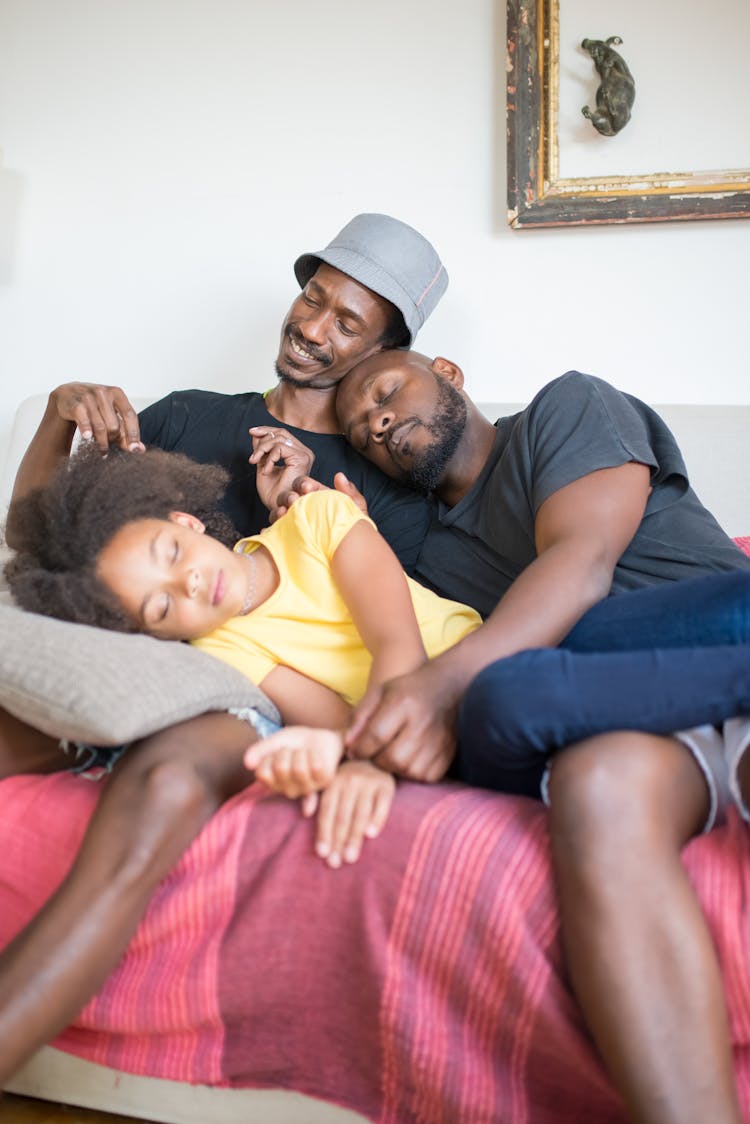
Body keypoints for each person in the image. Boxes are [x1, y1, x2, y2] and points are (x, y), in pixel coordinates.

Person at [0, 440, 481, 1086]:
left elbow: (398, 649)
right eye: (164, 606)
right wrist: (353, 750)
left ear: (185, 522)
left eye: (171, 556)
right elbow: (331, 718)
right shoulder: (224, 651)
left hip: (467, 678)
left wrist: (371, 764)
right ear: (160, 638)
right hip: (404, 735)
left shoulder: (318, 521)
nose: (191, 583)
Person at [8, 213, 448, 576]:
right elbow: (33, 540)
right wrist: (57, 414)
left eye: (346, 325)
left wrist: (338, 531)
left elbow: (382, 634)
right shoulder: (185, 414)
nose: (311, 329)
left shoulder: (389, 494)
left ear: (384, 351)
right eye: (312, 300)